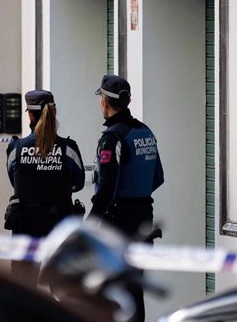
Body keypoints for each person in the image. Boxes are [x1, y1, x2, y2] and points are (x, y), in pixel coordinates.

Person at [89, 74, 164, 322]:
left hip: (117, 226)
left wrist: (89, 225)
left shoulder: (113, 138)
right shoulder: (145, 131)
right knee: (134, 289)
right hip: (143, 221)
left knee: (114, 291)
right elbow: (157, 178)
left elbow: (106, 189)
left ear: (105, 102)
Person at [4, 89, 85, 285]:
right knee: (64, 296)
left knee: (23, 297)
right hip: (60, 231)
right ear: (54, 113)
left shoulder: (16, 149)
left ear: (30, 115)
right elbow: (79, 183)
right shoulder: (69, 149)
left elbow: (15, 182)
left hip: (25, 232)